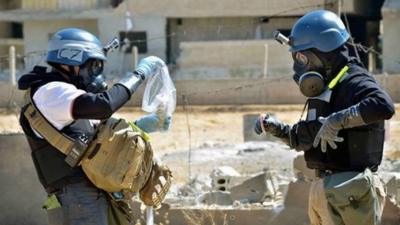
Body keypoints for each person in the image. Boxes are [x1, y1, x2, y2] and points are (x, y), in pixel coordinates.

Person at [255, 10, 395, 225]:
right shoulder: (326, 87)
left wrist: (338, 120)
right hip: (325, 189)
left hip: (351, 190)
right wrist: (282, 131)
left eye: (302, 57)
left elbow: (383, 105)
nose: (299, 66)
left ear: (323, 51)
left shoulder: (354, 80)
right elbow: (313, 135)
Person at [18, 28, 170, 225]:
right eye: (94, 65)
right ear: (71, 60)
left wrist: (143, 125)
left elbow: (98, 137)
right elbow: (103, 106)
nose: (96, 74)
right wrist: (140, 74)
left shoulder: (66, 96)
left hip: (89, 197)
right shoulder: (50, 92)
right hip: (76, 199)